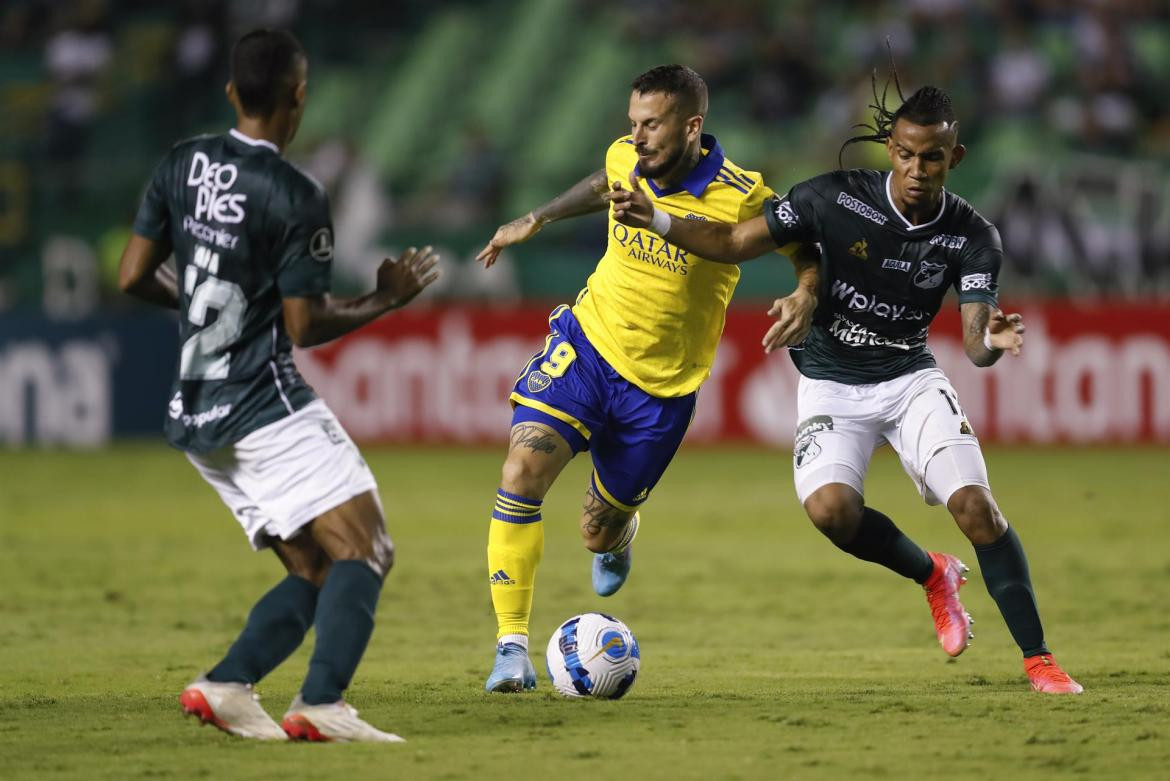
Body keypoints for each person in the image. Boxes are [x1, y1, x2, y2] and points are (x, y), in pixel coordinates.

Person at [605, 79, 1083, 694]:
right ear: (891, 148)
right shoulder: (832, 199)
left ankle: (1040, 661)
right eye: (906, 155)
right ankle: (933, 574)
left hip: (910, 380)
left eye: (932, 158)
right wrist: (662, 219)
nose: (916, 169)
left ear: (953, 158)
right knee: (831, 512)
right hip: (831, 384)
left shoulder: (972, 235)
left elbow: (973, 344)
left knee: (977, 509)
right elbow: (729, 241)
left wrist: (993, 338)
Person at [118, 29, 440, 741]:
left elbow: (133, 274)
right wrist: (384, 299)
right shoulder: (294, 193)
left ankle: (228, 684)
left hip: (195, 407)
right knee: (368, 547)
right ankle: (323, 703)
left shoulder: (184, 162)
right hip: (262, 401)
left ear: (232, 92)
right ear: (299, 96)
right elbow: (302, 324)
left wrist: (214, 297)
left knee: (319, 567)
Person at [475, 64, 819, 693]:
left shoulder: (741, 194)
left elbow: (803, 245)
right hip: (587, 345)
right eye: (632, 124)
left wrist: (806, 291)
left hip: (660, 392)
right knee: (521, 470)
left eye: (651, 125)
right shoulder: (624, 157)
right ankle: (510, 648)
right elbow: (601, 181)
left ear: (692, 125)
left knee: (594, 532)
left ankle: (617, 534)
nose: (637, 138)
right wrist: (539, 217)